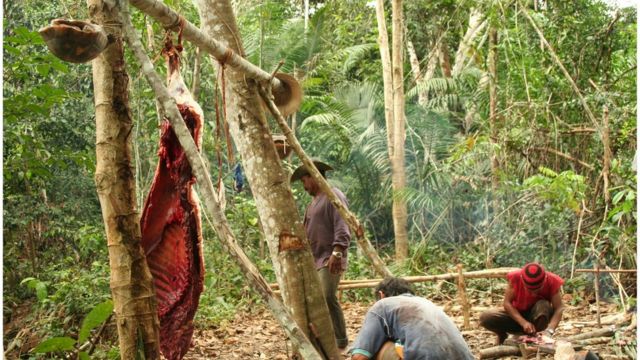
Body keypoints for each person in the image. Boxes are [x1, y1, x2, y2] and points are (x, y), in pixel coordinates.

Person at [291, 160, 351, 349]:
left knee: (327, 296)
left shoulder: (333, 195)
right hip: (315, 259)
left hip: (330, 257)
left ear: (313, 177)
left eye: (304, 181)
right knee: (318, 300)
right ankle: (325, 338)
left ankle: (341, 340)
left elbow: (342, 223)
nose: (304, 186)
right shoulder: (312, 204)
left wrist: (338, 251)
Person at [349, 277, 475, 360]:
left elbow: (360, 356)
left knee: (378, 347)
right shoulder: (427, 303)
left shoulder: (383, 304)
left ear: (381, 295)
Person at [479, 262, 565, 345]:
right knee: (486, 317)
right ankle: (503, 335)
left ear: (545, 279)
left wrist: (550, 330)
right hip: (517, 316)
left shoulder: (552, 280)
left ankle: (537, 337)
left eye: (537, 289)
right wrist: (523, 322)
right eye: (529, 289)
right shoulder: (515, 277)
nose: (533, 293)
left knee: (543, 305)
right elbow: (507, 303)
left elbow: (559, 308)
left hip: (537, 317)